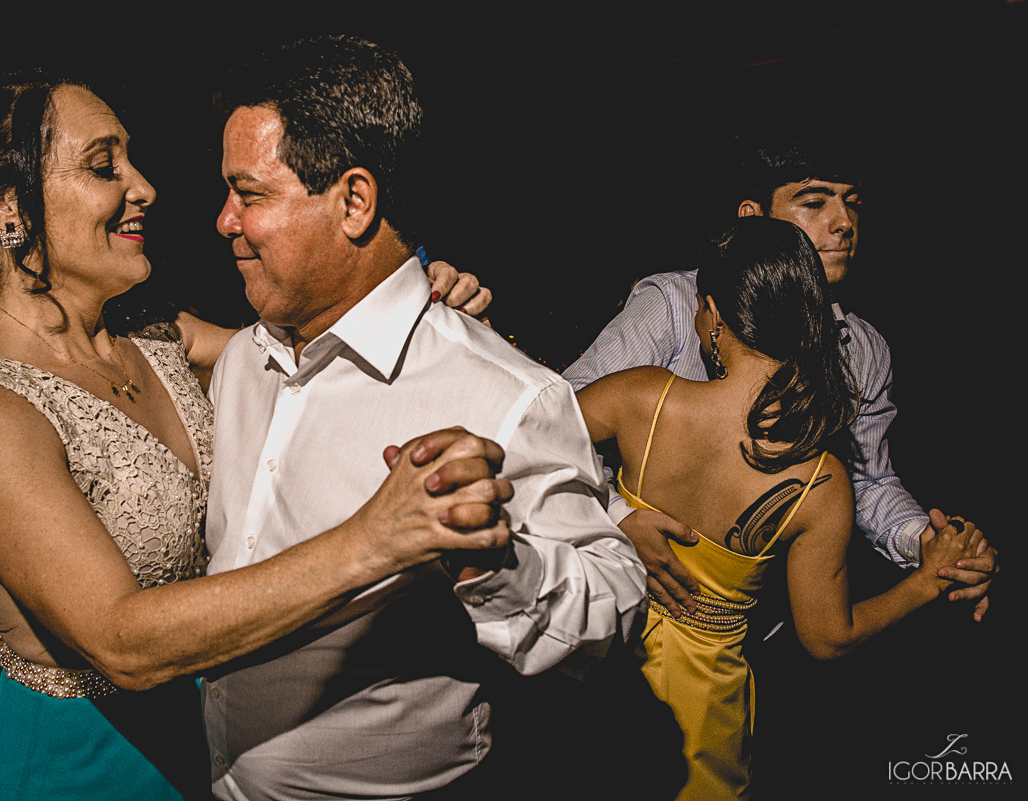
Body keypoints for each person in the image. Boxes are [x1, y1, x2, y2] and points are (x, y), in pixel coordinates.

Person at [0, 71, 511, 801]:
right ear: (3, 200)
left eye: (131, 160)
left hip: (209, 739)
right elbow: (122, 641)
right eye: (104, 166)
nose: (145, 188)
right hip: (84, 766)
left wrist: (413, 301)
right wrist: (374, 539)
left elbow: (328, 364)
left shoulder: (157, 335)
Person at [200, 36, 647, 800]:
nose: (223, 220)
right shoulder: (243, 358)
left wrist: (491, 563)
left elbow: (613, 610)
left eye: (251, 194)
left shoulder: (504, 391)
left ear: (354, 201)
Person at [575, 217, 985, 800]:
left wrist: (616, 512)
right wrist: (925, 583)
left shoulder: (642, 396)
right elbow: (827, 638)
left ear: (714, 317)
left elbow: (531, 436)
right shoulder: (820, 482)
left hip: (600, 655)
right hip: (702, 705)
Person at [563, 135, 996, 622]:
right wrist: (620, 518)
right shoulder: (675, 302)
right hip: (622, 597)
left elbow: (868, 480)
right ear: (752, 218)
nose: (844, 223)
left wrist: (931, 546)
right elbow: (557, 424)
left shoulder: (864, 349)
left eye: (853, 204)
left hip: (750, 623)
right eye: (814, 203)